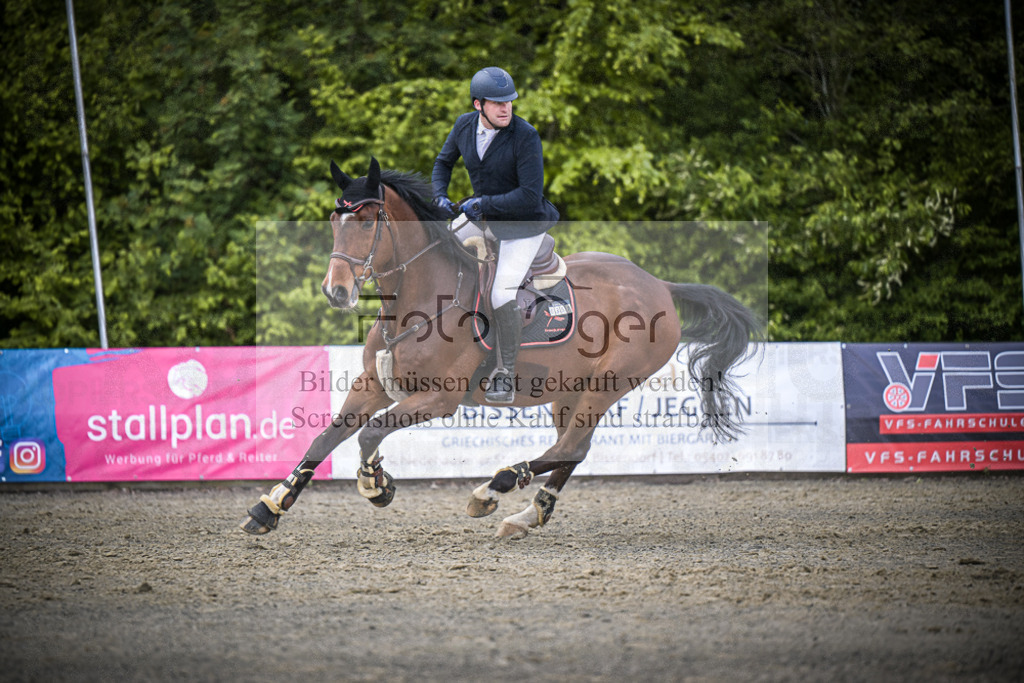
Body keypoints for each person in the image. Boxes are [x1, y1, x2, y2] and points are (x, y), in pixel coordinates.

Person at [432, 66, 560, 404]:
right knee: (435, 254)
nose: (506, 109)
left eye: (510, 102)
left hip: (523, 226)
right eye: (497, 103)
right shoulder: (463, 125)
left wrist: (482, 203)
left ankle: (504, 373)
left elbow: (530, 195)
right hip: (483, 217)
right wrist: (439, 196)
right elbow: (443, 163)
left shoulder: (525, 135)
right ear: (478, 105)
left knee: (502, 292)